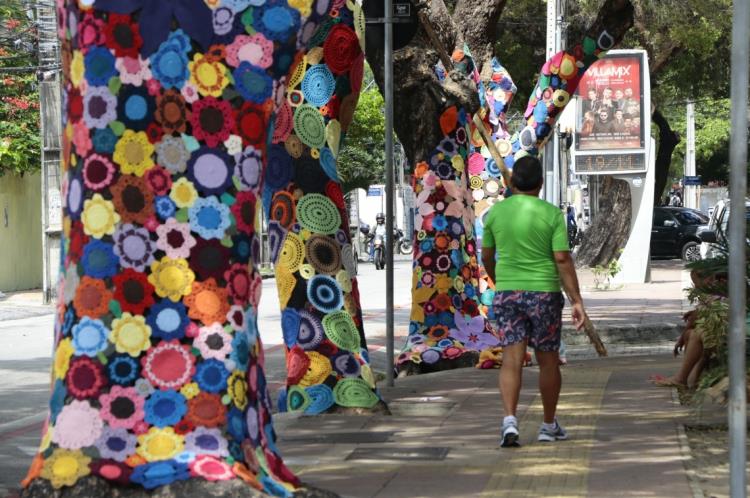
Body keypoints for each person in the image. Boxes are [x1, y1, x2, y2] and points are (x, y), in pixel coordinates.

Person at [481, 155, 587, 448]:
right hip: (544, 295)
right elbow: (562, 259)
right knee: (548, 360)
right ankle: (548, 425)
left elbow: (487, 257)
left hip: (507, 294)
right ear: (541, 184)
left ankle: (509, 422)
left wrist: (499, 280)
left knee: (511, 360)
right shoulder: (552, 215)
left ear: (512, 183)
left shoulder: (495, 215)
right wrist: (577, 300)